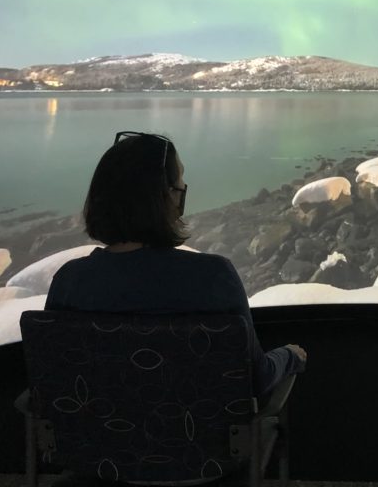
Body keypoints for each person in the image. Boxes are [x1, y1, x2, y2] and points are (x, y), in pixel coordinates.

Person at [46, 130, 306, 395]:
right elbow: (255, 378)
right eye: (180, 179)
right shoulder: (213, 277)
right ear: (165, 196)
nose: (183, 188)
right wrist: (289, 356)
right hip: (201, 435)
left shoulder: (69, 282)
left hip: (97, 435)